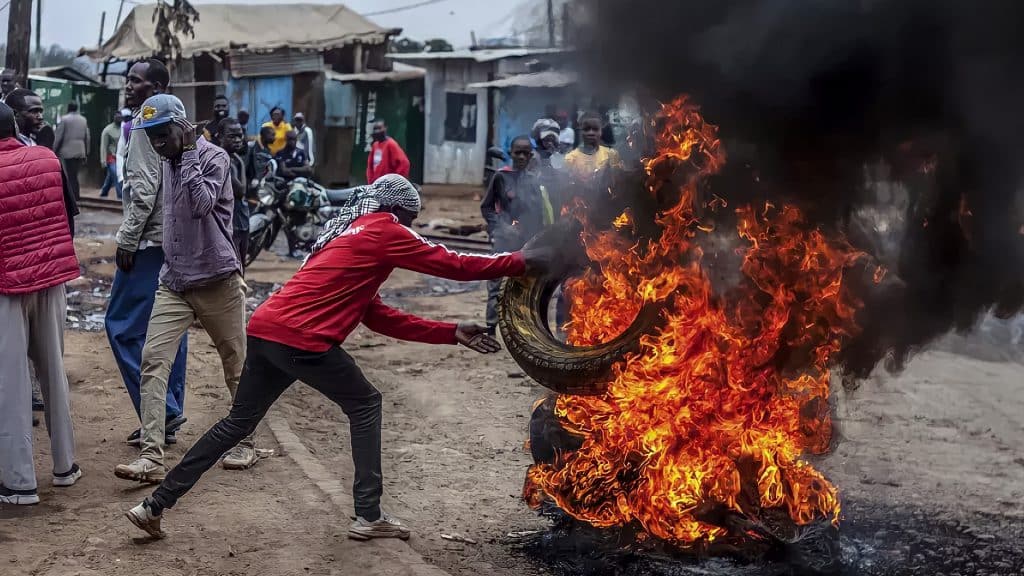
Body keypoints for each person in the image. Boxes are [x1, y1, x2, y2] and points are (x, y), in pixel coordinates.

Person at [124, 173, 552, 540]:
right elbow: (453, 264)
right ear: (399, 212)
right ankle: (368, 515)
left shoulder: (348, 235)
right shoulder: (387, 231)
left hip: (267, 329)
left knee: (237, 423)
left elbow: (377, 316)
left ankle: (155, 505)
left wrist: (451, 332)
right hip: (301, 341)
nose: (412, 228)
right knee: (366, 404)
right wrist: (519, 261)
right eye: (412, 220)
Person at [114, 94, 257, 485]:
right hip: (174, 282)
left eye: (163, 136)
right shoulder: (165, 161)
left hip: (218, 281)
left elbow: (200, 204)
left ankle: (247, 441)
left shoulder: (215, 159)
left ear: (184, 126)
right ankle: (151, 457)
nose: (158, 144)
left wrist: (191, 153)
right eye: (152, 138)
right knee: (153, 360)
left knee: (236, 365)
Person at [0, 101, 83, 505]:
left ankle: (19, 484)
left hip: (7, 289)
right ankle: (65, 465)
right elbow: (69, 217)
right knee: (53, 374)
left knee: (12, 385)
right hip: (51, 281)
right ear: (14, 125)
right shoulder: (48, 158)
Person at [107, 59, 189, 449]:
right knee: (170, 330)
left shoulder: (145, 124)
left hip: (148, 243)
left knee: (122, 326)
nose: (128, 85)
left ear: (154, 86)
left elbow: (143, 189)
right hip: (175, 240)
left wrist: (126, 239)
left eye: (135, 81)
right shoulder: (178, 121)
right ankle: (167, 414)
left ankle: (164, 409)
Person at [481, 135, 554, 335]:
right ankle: (490, 327)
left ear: (531, 155)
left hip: (527, 242)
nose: (521, 156)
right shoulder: (500, 177)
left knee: (528, 283)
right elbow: (487, 207)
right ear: (511, 153)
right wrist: (499, 227)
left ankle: (525, 328)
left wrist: (539, 237)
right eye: (517, 152)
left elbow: (540, 213)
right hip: (504, 239)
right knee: (496, 281)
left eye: (525, 153)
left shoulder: (534, 182)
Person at [219, 118, 250, 266]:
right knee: (234, 267)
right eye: (232, 136)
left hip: (241, 222)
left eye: (240, 136)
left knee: (241, 266)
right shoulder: (222, 160)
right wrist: (242, 163)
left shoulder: (234, 159)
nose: (238, 140)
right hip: (231, 225)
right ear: (220, 137)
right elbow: (241, 191)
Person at [564, 112, 623, 183]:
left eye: (595, 129)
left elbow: (617, 181)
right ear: (580, 130)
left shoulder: (611, 154)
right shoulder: (570, 159)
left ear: (601, 131)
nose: (591, 133)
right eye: (586, 129)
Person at [53, 101, 90, 200]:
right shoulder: (83, 119)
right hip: (80, 151)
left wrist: (53, 150)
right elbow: (87, 137)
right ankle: (75, 195)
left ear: (68, 108)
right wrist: (86, 152)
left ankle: (73, 196)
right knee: (74, 174)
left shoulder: (65, 119)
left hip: (68, 152)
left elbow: (59, 136)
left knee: (70, 175)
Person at [366, 118, 410, 184]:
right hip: (376, 184)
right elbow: (370, 166)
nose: (377, 131)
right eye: (375, 129)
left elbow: (404, 163)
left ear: (385, 128)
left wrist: (395, 182)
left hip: (388, 185)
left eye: (379, 128)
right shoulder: (375, 145)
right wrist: (371, 181)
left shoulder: (390, 144)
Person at [100, 111, 124, 198]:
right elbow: (103, 146)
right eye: (117, 117)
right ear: (114, 117)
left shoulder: (123, 128)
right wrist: (103, 161)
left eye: (120, 117)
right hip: (111, 157)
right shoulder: (107, 130)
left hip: (121, 157)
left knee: (111, 176)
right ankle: (120, 195)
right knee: (117, 175)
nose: (119, 118)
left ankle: (104, 192)